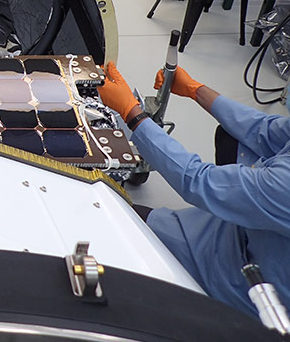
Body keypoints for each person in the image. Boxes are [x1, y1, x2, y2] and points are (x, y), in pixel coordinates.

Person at [99, 61, 290, 318]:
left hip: (240, 277)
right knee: (231, 136)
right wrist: (195, 89)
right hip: (238, 232)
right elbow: (264, 131)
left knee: (111, 221)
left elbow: (198, 180)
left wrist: (132, 114)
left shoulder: (283, 185)